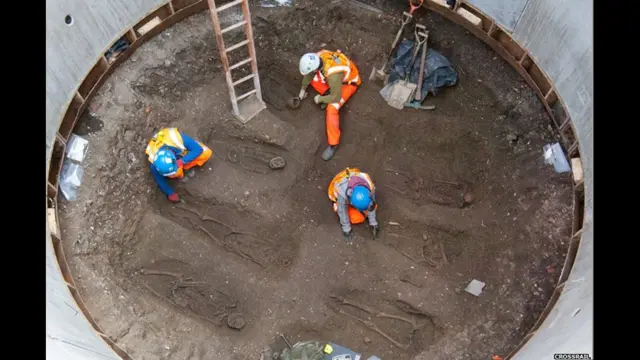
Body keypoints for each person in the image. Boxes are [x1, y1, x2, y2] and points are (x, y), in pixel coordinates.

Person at [297, 49, 362, 160]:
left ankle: (333, 144)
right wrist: (302, 92)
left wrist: (320, 99)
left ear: (316, 68)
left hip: (349, 83)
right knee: (314, 80)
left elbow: (336, 97)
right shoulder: (318, 57)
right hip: (336, 78)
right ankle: (328, 94)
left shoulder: (333, 75)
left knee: (332, 109)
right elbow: (309, 75)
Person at [145, 127, 213, 202]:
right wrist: (170, 193)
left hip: (179, 149)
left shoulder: (177, 139)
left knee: (206, 153)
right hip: (173, 154)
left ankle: (186, 166)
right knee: (175, 172)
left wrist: (182, 161)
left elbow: (198, 149)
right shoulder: (155, 163)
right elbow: (160, 180)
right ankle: (181, 173)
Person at [328, 167, 380, 242]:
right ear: (352, 203)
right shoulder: (342, 196)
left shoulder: (370, 187)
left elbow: (371, 203)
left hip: (352, 176)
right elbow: (342, 212)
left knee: (372, 208)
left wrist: (373, 221)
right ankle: (336, 205)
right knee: (356, 218)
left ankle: (364, 210)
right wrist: (346, 229)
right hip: (338, 184)